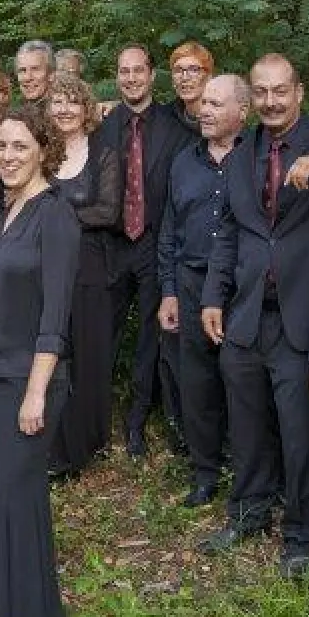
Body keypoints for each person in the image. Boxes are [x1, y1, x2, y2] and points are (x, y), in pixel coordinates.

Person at [198, 53, 309, 579]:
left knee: (301, 436)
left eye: (281, 91)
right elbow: (228, 231)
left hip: (305, 319)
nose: (272, 102)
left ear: (298, 91)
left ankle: (302, 535)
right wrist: (212, 294)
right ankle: (249, 511)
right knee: (247, 427)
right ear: (250, 99)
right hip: (245, 317)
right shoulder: (243, 151)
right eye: (262, 93)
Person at [0, 108, 79, 617]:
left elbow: (54, 316)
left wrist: (36, 391)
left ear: (43, 149)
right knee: (15, 494)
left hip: (28, 382)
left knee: (7, 492)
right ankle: (28, 612)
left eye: (20, 146)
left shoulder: (54, 215)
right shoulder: (7, 211)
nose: (8, 156)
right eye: (2, 148)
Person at [101, 43, 197, 458]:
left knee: (149, 339)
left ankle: (138, 421)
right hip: (110, 242)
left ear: (152, 74)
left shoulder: (175, 126)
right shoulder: (102, 125)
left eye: (138, 70)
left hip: (155, 244)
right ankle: (95, 419)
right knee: (103, 334)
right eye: (124, 71)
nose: (131, 78)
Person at [157, 74, 248, 507]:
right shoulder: (183, 162)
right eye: (204, 104)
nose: (205, 111)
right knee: (196, 386)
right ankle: (205, 472)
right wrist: (169, 290)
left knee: (243, 382)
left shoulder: (256, 158)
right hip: (191, 284)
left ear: (241, 113)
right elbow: (169, 232)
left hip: (241, 289)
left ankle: (252, 473)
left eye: (215, 103)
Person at [46, 74, 121, 479]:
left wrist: (55, 217)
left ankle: (86, 442)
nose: (64, 109)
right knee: (52, 354)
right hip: (44, 267)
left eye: (72, 102)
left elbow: (108, 212)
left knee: (89, 354)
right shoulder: (39, 152)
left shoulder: (103, 154)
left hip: (89, 267)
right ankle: (54, 444)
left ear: (86, 109)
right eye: (57, 102)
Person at [169, 41, 214, 129]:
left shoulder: (224, 120)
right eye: (178, 70)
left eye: (194, 70)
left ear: (209, 76)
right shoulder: (164, 119)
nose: (185, 78)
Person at [14, 40, 55, 110]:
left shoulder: (62, 114)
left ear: (51, 74)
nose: (27, 77)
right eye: (22, 70)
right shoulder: (12, 114)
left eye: (35, 69)